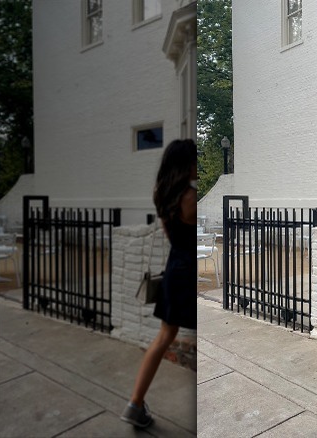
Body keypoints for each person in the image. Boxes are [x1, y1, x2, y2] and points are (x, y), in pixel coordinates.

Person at [120, 139, 197, 428]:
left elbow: (171, 236)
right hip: (188, 273)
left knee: (164, 337)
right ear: (186, 164)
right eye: (195, 160)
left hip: (174, 268)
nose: (198, 165)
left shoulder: (164, 195)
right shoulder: (190, 198)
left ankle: (134, 403)